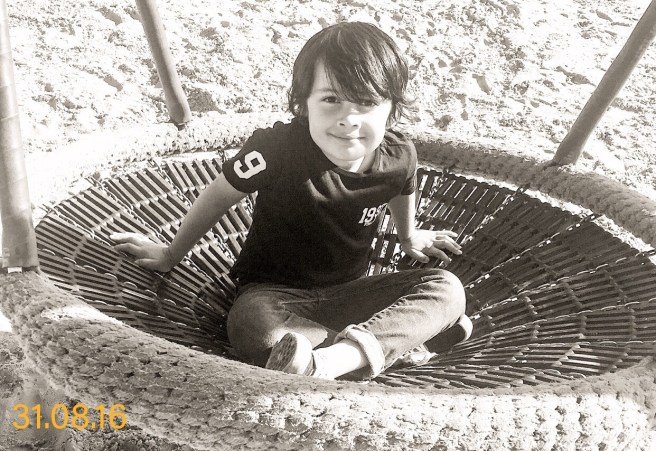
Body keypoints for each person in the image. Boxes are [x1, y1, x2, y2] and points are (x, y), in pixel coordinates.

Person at [111, 22, 471, 381]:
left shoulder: (398, 155)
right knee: (251, 325)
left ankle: (330, 362)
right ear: (304, 105)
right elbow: (219, 195)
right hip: (274, 295)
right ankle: (391, 349)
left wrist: (409, 236)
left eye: (366, 103)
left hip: (350, 296)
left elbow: (402, 187)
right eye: (331, 100)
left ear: (391, 111)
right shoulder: (277, 150)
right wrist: (170, 254)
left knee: (447, 289)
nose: (348, 120)